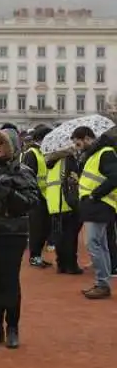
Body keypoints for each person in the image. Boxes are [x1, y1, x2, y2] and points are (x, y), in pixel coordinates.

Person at [0, 129, 42, 349]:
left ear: (13, 146)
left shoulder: (23, 171)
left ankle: (12, 328)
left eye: (2, 143)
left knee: (10, 281)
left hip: (13, 233)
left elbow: (32, 202)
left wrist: (10, 194)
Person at [72, 126, 117, 299]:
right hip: (97, 205)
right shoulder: (96, 155)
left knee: (93, 243)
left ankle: (102, 283)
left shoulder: (104, 153)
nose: (78, 147)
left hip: (99, 204)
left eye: (78, 143)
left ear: (87, 138)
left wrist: (94, 195)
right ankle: (103, 283)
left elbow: (114, 177)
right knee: (101, 245)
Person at [45, 147, 83, 274]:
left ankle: (61, 264)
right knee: (70, 236)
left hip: (53, 203)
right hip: (67, 202)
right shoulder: (69, 159)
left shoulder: (49, 161)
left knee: (59, 236)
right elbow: (75, 178)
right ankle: (71, 265)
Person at [21, 125, 53, 268]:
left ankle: (38, 255)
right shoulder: (32, 153)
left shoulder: (43, 153)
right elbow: (28, 176)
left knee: (45, 228)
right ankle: (34, 256)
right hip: (36, 197)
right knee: (36, 229)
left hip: (46, 196)